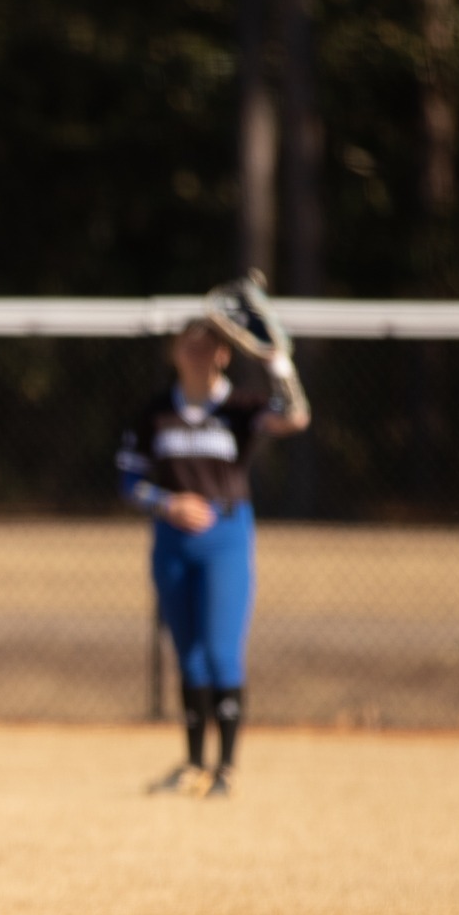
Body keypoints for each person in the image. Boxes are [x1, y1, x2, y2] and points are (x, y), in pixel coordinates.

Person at [118, 285, 311, 798]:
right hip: (173, 539)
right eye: (190, 344)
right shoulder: (156, 412)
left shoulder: (242, 408)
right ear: (175, 352)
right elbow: (129, 481)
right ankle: (192, 764)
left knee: (222, 651)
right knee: (189, 655)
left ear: (225, 354)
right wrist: (168, 503)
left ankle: (225, 770)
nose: (198, 353)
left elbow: (294, 418)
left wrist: (279, 363)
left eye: (209, 346)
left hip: (226, 535)